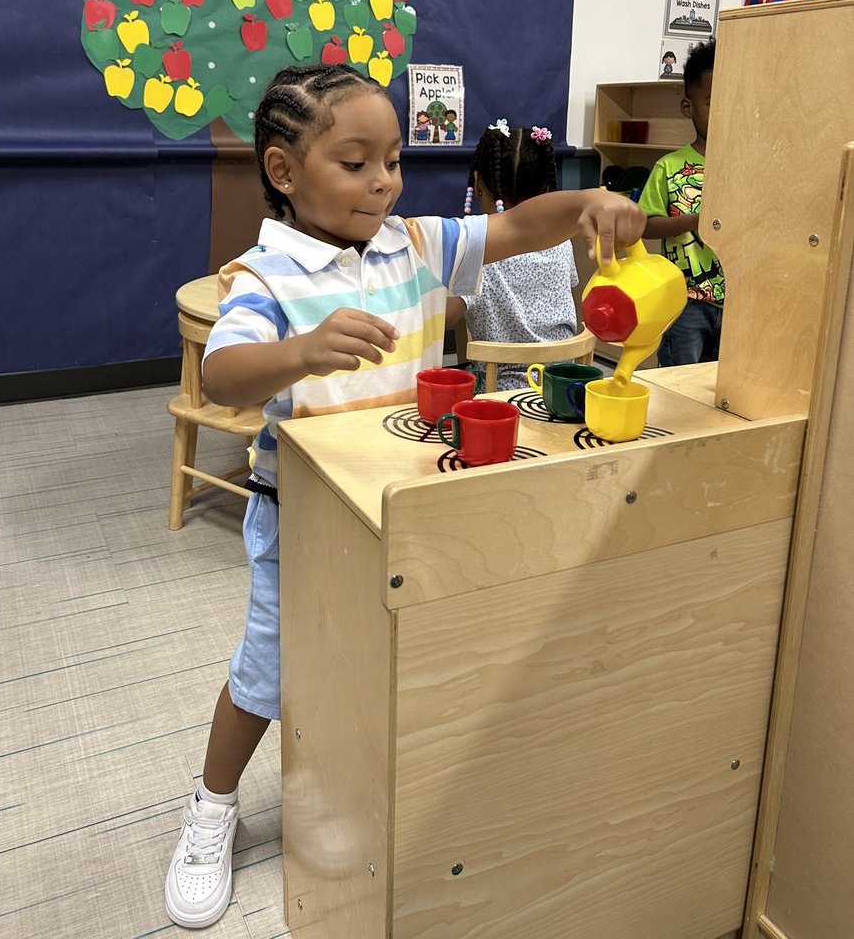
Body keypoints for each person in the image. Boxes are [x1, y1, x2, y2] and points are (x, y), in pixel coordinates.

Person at [163, 63, 644, 929]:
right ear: (283, 172)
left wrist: (587, 205)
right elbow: (228, 376)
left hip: (415, 507)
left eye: (393, 159)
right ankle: (210, 809)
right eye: (355, 163)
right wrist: (302, 350)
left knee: (402, 660)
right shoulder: (264, 279)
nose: (383, 181)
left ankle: (388, 791)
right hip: (303, 520)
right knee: (269, 673)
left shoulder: (417, 243)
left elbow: (517, 226)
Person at [445, 121, 579, 391]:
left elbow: (444, 318)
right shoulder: (561, 239)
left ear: (478, 183)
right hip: (564, 388)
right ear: (545, 189)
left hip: (500, 394)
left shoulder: (477, 247)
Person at [638, 38, 724, 365]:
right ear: (688, 107)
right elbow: (646, 226)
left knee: (718, 390)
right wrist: (690, 221)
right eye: (713, 101)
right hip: (684, 301)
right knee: (678, 382)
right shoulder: (670, 167)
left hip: (734, 302)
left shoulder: (745, 167)